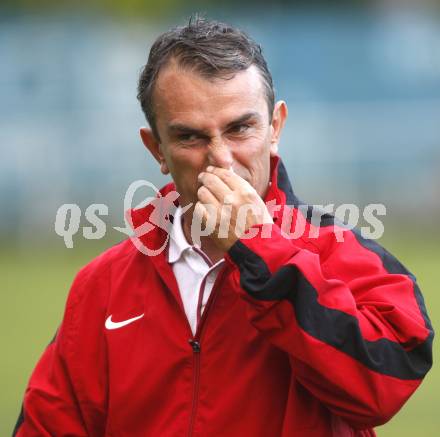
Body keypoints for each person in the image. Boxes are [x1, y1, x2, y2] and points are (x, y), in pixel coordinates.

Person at [14, 16, 433, 437]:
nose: (221, 159)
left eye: (240, 128)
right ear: (156, 148)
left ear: (275, 128)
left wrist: (259, 248)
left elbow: (389, 382)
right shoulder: (102, 287)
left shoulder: (339, 251)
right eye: (191, 138)